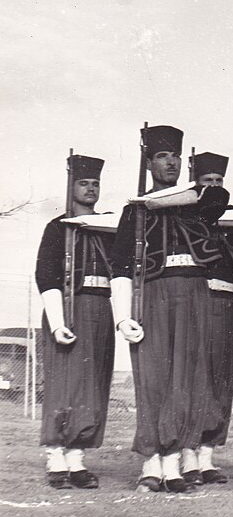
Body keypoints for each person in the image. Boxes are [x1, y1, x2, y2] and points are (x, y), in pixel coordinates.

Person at [110, 125, 229, 493]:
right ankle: (150, 463)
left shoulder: (198, 200)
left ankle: (174, 465)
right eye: (162, 156)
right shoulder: (134, 212)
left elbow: (217, 197)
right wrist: (123, 317)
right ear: (149, 163)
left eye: (175, 156)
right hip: (154, 293)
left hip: (194, 292)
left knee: (187, 381)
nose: (171, 162)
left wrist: (156, 201)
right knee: (153, 380)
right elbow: (120, 266)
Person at [36, 154, 115, 489]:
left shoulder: (109, 226)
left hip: (101, 311)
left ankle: (77, 460)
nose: (91, 189)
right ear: (72, 186)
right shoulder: (58, 227)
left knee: (93, 386)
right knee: (64, 386)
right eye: (84, 183)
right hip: (69, 310)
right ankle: (56, 458)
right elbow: (45, 275)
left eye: (95, 183)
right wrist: (57, 322)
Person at [181, 151, 233, 488]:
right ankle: (187, 456)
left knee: (221, 380)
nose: (213, 187)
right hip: (197, 301)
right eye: (206, 182)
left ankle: (207, 457)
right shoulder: (183, 217)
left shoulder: (231, 219)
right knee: (196, 379)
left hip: (225, 302)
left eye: (218, 182)